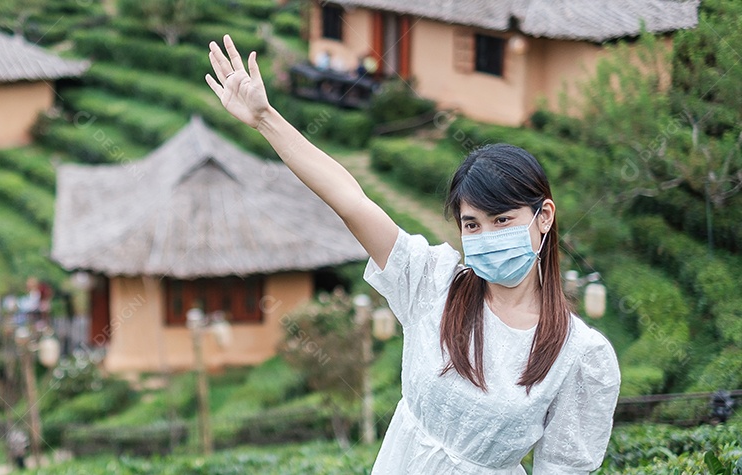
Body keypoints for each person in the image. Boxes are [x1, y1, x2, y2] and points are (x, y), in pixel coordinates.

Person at [206, 35, 621, 474]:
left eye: (503, 220)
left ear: (544, 217)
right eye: (472, 224)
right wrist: (266, 119)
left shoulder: (579, 355)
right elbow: (351, 200)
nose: (486, 234)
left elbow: (564, 469)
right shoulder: (432, 282)